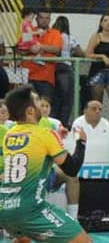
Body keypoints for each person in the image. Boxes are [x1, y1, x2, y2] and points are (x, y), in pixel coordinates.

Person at [0, 86, 90, 242]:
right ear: (30, 111)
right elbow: (72, 169)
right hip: (30, 209)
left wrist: (56, 140)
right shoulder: (45, 134)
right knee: (83, 241)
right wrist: (81, 142)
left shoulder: (10, 133)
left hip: (4, 207)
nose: (41, 104)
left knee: (24, 238)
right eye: (37, 101)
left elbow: (35, 148)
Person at [18, 10, 62, 103]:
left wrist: (39, 46)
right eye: (41, 17)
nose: (44, 20)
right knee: (27, 106)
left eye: (47, 18)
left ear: (50, 20)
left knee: (44, 107)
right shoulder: (30, 31)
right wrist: (32, 49)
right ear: (37, 19)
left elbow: (56, 49)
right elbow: (21, 49)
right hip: (28, 76)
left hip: (46, 77)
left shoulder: (55, 33)